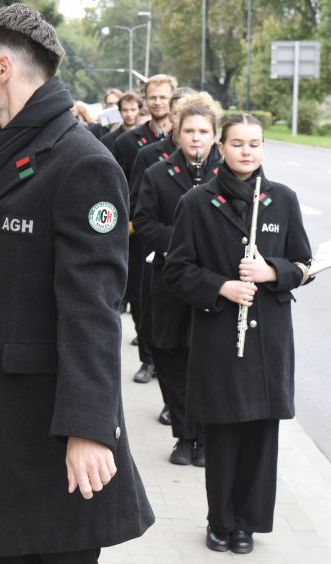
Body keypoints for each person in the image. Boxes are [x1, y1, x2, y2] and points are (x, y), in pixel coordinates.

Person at [0, 5, 154, 564]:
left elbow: (94, 309)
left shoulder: (81, 162)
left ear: (3, 67)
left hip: (52, 423)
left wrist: (88, 429)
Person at [163, 113, 313, 555]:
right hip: (218, 337)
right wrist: (221, 286)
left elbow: (305, 265)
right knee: (224, 433)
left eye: (255, 144)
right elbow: (177, 271)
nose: (247, 151)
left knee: (260, 436)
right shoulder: (196, 202)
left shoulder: (282, 200)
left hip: (268, 340)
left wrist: (272, 272)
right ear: (221, 149)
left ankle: (247, 523)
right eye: (238, 143)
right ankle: (220, 521)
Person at [133, 92, 222, 467]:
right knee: (172, 357)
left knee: (207, 362)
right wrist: (186, 243)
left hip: (213, 282)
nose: (196, 138)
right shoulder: (157, 173)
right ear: (176, 132)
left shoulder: (228, 172)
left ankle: (205, 435)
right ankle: (184, 436)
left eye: (204, 131)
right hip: (170, 282)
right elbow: (145, 222)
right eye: (189, 131)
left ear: (215, 135)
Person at [112, 74, 176, 387]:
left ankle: (167, 364)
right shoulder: (128, 142)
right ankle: (148, 360)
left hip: (175, 233)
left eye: (163, 97)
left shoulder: (188, 138)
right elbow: (116, 185)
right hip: (138, 233)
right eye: (152, 97)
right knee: (140, 298)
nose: (158, 102)